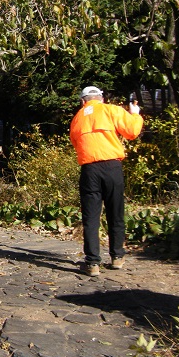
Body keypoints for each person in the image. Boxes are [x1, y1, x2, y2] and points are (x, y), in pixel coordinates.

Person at [70, 86, 143, 277]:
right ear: (101, 99)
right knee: (115, 211)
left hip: (89, 170)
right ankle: (117, 257)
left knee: (91, 217)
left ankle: (93, 262)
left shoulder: (77, 118)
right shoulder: (111, 110)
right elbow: (132, 132)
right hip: (112, 167)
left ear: (83, 101)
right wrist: (135, 114)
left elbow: (76, 143)